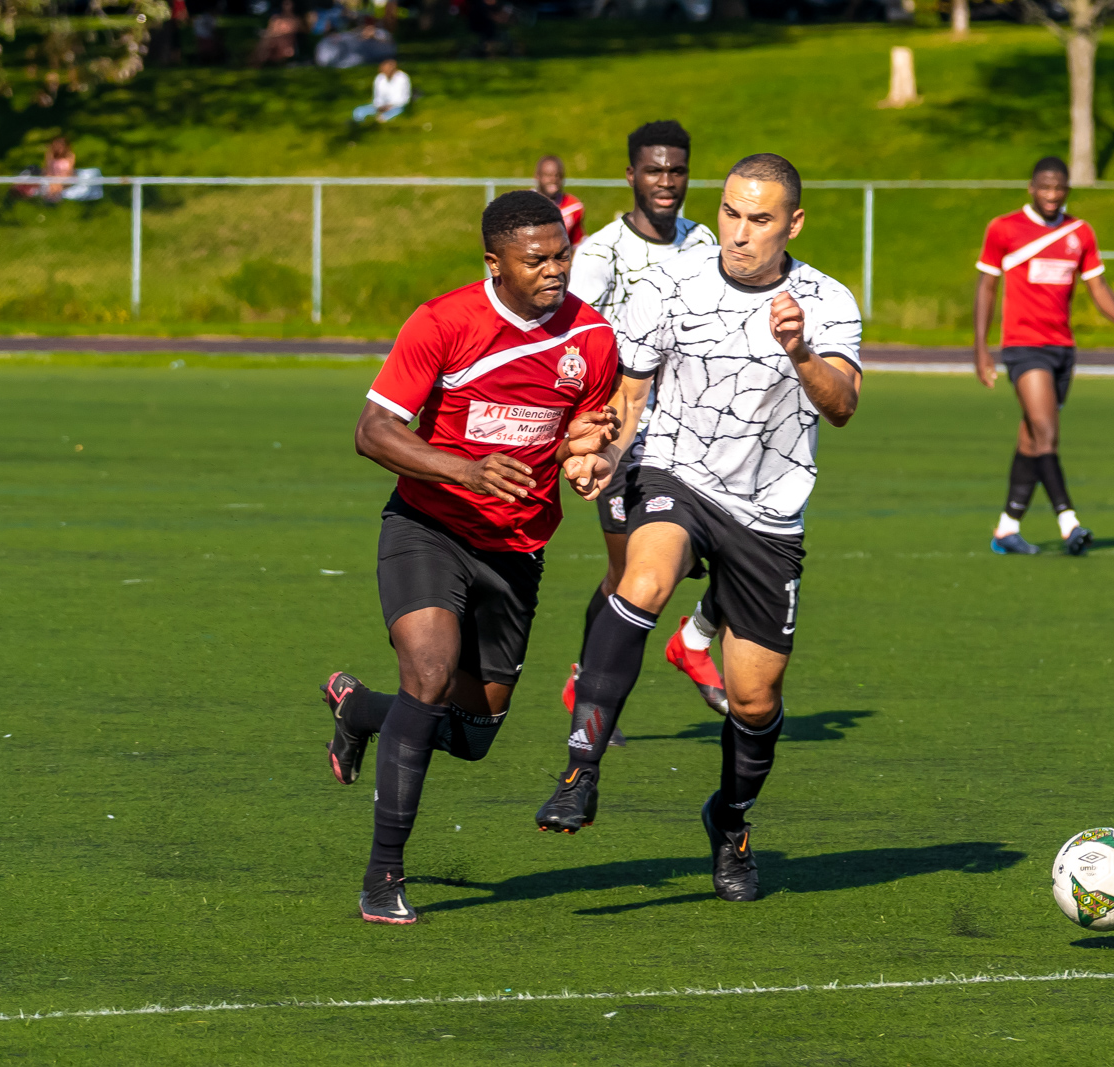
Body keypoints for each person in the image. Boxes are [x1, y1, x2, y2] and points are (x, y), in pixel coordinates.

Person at [534, 154, 864, 906]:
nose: (739, 233)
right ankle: (581, 765)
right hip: (674, 473)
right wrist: (601, 459)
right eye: (730, 213)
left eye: (759, 219)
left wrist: (800, 350)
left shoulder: (827, 299)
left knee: (755, 700)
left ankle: (732, 821)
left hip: (768, 512)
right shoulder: (669, 284)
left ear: (793, 223)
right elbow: (629, 394)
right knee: (643, 579)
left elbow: (842, 404)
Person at [317, 190, 621, 925]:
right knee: (426, 672)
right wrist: (464, 469)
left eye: (562, 254)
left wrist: (593, 458)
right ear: (494, 262)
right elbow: (372, 431)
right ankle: (384, 874)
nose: (555, 269)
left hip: (517, 549)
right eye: (536, 259)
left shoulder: (593, 336)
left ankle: (358, 708)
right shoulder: (443, 322)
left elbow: (591, 430)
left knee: (475, 733)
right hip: (429, 526)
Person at [564, 120, 725, 741]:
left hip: (697, 432)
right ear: (631, 175)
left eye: (677, 170)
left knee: (740, 549)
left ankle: (694, 639)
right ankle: (586, 688)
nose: (666, 182)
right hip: (623, 434)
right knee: (624, 579)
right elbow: (571, 340)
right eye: (654, 170)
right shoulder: (601, 255)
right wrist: (581, 428)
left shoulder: (704, 241)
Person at [973, 156, 1114, 557]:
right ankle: (1070, 524)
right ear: (1031, 188)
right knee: (1047, 433)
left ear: (1067, 190)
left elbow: (1097, 286)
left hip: (1062, 349)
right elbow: (985, 288)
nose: (1051, 195)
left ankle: (1006, 529)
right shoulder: (1004, 229)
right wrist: (980, 349)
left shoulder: (1079, 232)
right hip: (1022, 346)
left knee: (1033, 438)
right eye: (1044, 187)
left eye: (1059, 188)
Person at [536, 156, 585, 247]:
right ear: (538, 177)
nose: (553, 180)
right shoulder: (524, 205)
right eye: (548, 175)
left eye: (557, 175)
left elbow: (577, 244)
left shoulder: (573, 207)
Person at [352, 57, 410, 123]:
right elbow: (378, 96)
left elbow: (402, 98)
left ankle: (382, 119)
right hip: (382, 106)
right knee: (358, 111)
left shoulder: (402, 78)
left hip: (397, 106)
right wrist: (380, 106)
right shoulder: (380, 78)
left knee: (390, 114)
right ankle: (359, 123)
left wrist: (389, 106)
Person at [251, 0, 301, 67]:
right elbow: (270, 31)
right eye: (284, 4)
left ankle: (255, 63)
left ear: (293, 5)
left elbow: (291, 35)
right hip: (274, 41)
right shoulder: (276, 18)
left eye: (288, 4)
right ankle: (255, 62)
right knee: (265, 40)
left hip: (285, 45)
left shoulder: (295, 19)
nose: (286, 6)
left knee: (266, 41)